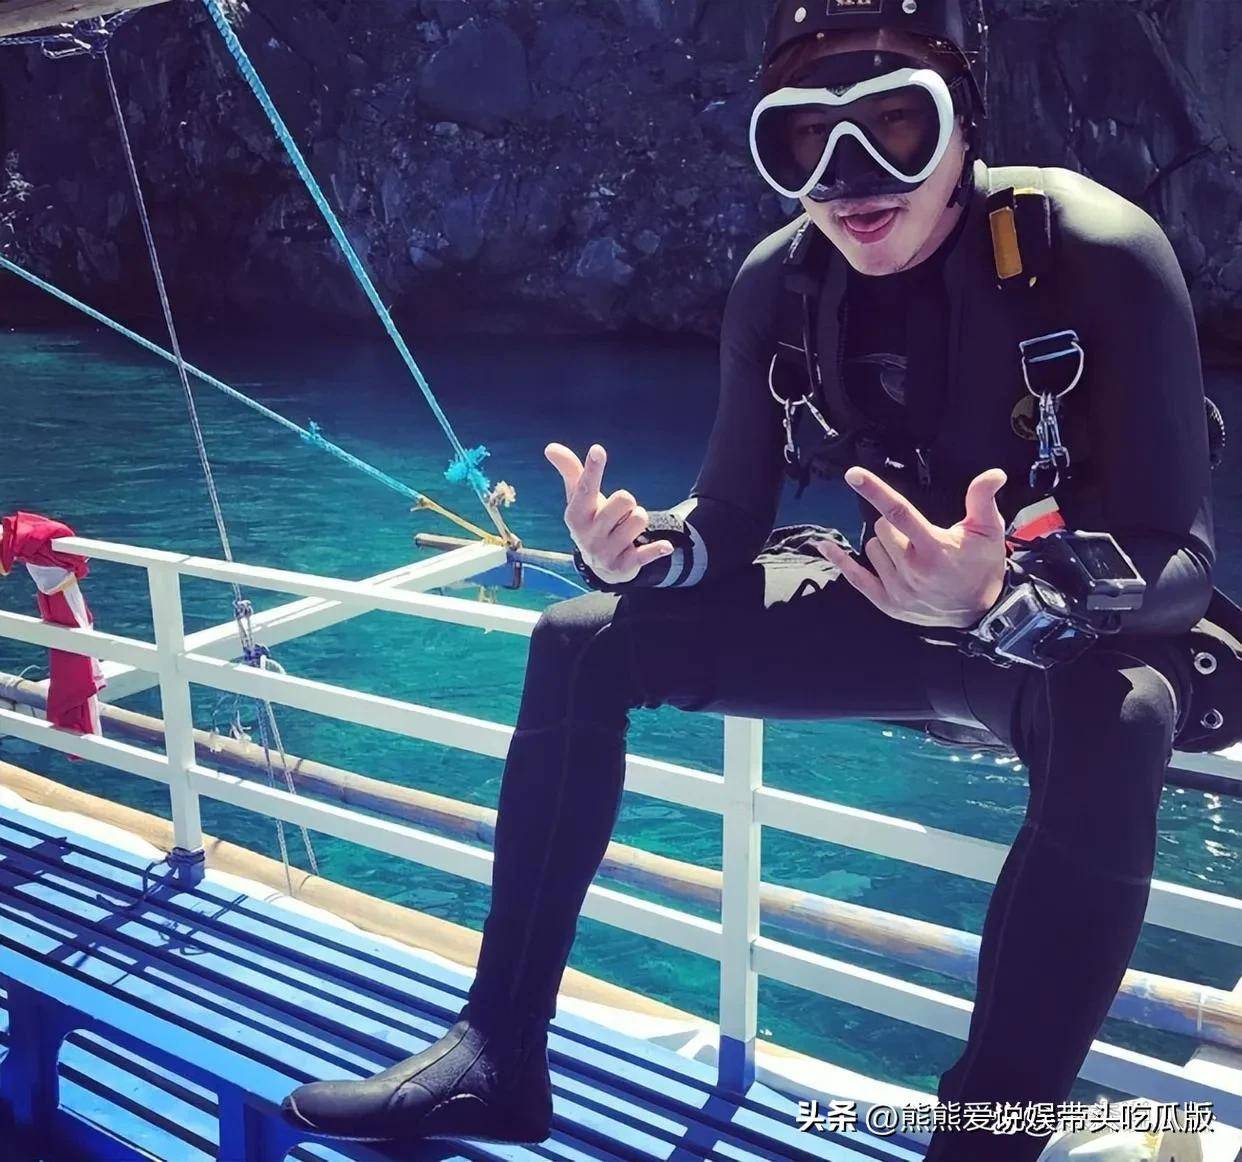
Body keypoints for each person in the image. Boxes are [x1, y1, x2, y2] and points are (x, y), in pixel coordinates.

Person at [279, 1, 1215, 1158]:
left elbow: (1182, 559)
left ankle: (986, 1139)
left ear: (966, 120)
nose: (849, 178)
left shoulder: (1096, 252)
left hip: (1039, 640)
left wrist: (1004, 593)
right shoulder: (783, 284)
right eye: (805, 139)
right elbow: (728, 514)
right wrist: (647, 546)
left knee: (1120, 714)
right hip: (881, 607)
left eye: (894, 125)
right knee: (580, 636)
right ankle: (497, 1052)